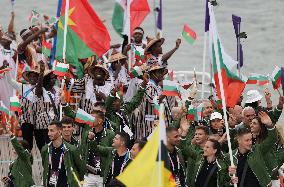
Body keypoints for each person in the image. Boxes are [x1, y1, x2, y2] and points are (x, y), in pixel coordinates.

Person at [228, 111, 277, 187]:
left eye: (251, 140)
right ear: (239, 140)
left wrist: (270, 125)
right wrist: (230, 179)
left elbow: (272, 139)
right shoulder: (231, 156)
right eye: (247, 140)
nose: (250, 142)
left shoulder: (257, 149)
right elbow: (223, 180)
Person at [41, 121, 84, 187]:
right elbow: (45, 166)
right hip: (51, 184)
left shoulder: (72, 149)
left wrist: (80, 183)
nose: (49, 133)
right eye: (48, 131)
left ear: (59, 131)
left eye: (52, 131)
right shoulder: (45, 149)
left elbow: (80, 169)